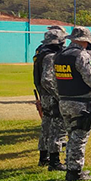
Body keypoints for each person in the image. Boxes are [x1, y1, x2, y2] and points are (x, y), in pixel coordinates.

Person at [49, 26, 91, 181]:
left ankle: (71, 167)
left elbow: (54, 80)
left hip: (65, 100)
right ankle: (74, 172)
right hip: (82, 102)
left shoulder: (60, 55)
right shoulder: (82, 55)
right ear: (84, 41)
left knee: (71, 135)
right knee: (79, 137)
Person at [34, 27, 68, 171]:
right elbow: (47, 80)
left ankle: (44, 157)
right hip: (52, 97)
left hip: (45, 96)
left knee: (46, 127)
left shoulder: (41, 54)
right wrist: (58, 95)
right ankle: (54, 161)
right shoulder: (50, 57)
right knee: (57, 129)